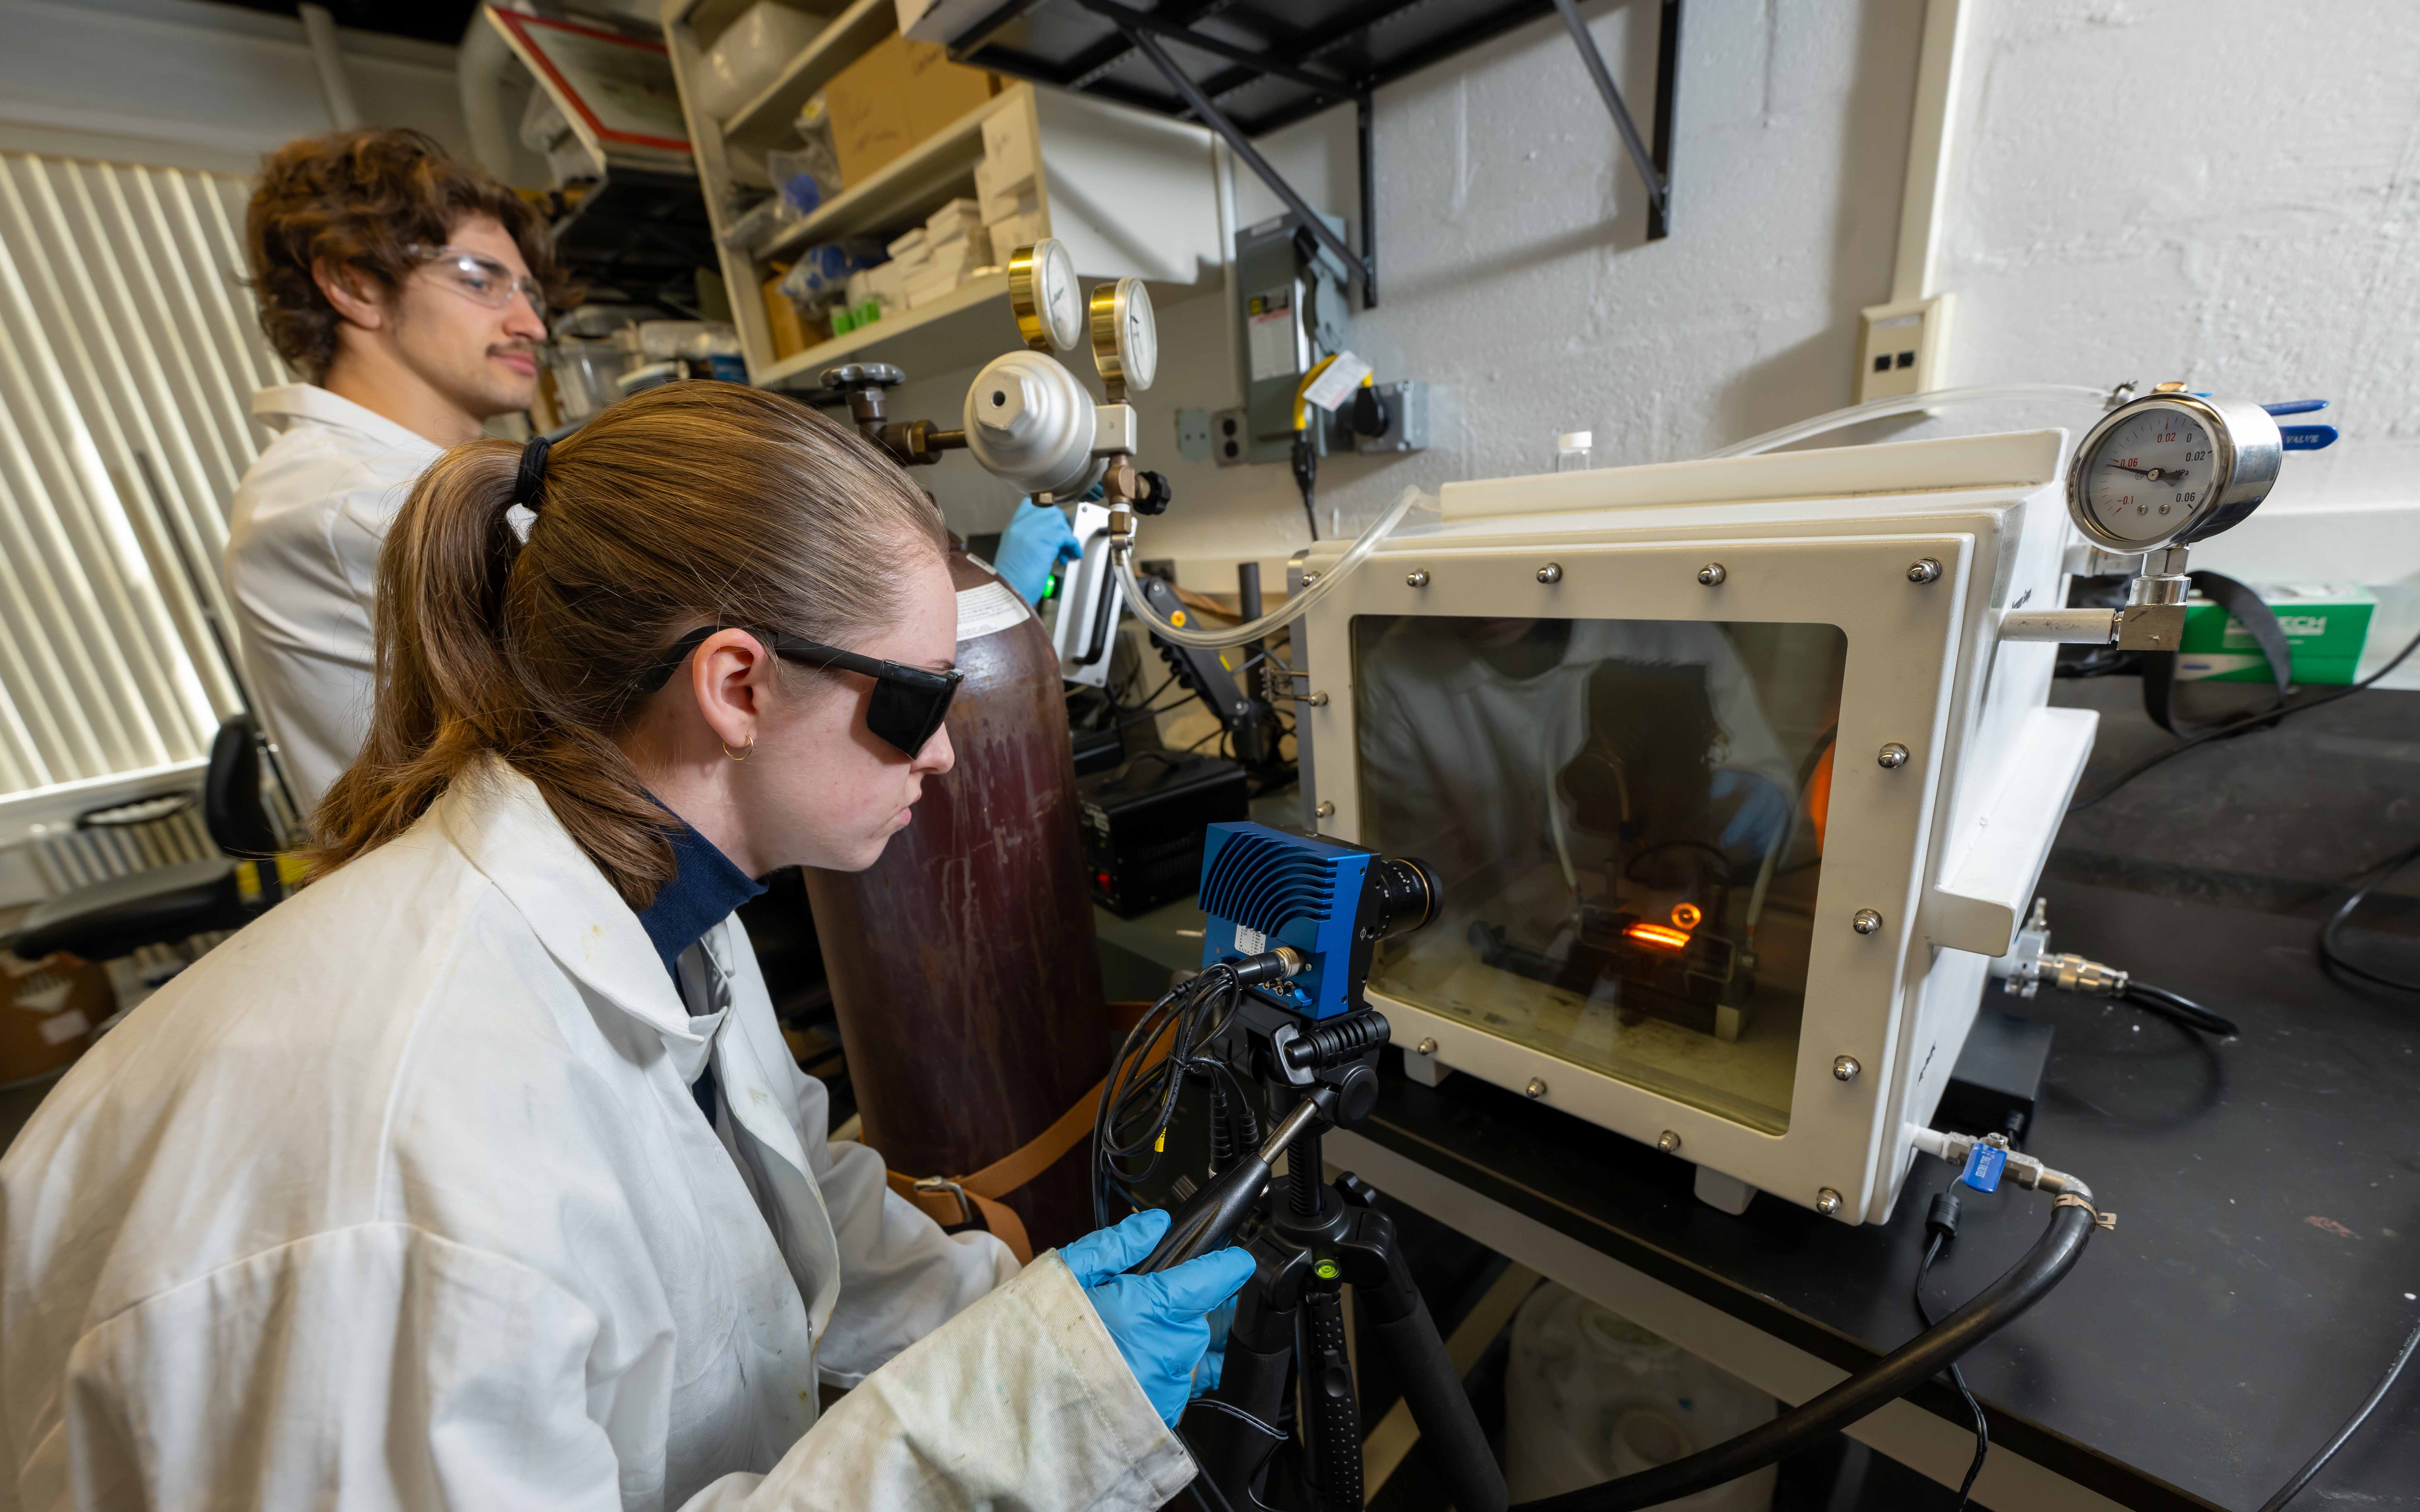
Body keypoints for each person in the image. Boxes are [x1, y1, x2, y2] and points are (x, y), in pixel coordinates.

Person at [0, 383, 1253, 1508]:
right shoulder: (405, 1179)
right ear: (737, 686)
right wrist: (1006, 1428)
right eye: (917, 700)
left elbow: (782, 1198)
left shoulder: (659, 903)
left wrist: (1016, 1322)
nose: (940, 753)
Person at [226, 127, 564, 813]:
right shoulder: (349, 498)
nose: (533, 323)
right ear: (355, 285)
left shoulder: (409, 474)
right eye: (481, 280)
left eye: (529, 292)